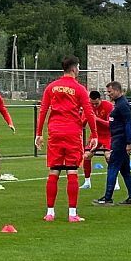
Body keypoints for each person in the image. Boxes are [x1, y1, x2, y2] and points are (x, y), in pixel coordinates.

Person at [35, 56, 97, 222]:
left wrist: (39, 133)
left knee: (54, 171)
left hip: (55, 131)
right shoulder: (79, 88)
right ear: (74, 69)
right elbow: (89, 112)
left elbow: (43, 110)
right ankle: (72, 214)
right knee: (72, 171)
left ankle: (50, 212)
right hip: (72, 132)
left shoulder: (52, 87)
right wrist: (95, 134)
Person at [93, 81, 131, 206]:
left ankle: (107, 198)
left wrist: (128, 142)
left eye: (110, 91)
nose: (109, 94)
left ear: (118, 90)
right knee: (125, 171)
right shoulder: (118, 104)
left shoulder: (122, 105)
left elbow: (128, 124)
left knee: (112, 167)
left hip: (120, 141)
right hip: (119, 139)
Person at [81, 90, 113, 190]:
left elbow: (110, 125)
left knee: (109, 157)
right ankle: (87, 182)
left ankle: (114, 181)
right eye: (92, 103)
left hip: (108, 135)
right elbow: (81, 124)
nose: (94, 106)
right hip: (95, 136)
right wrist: (85, 118)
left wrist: (96, 119)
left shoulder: (108, 106)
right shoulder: (88, 107)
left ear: (100, 99)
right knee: (86, 156)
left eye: (96, 103)